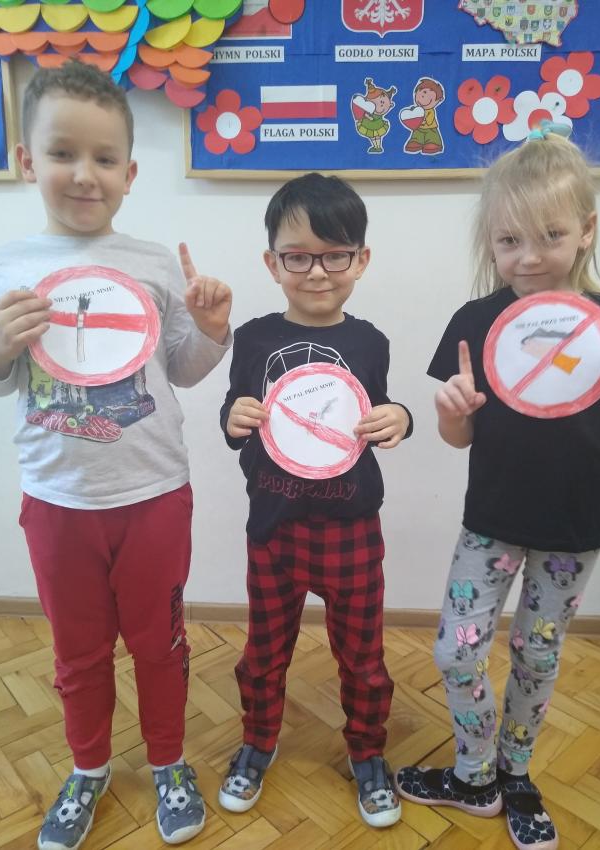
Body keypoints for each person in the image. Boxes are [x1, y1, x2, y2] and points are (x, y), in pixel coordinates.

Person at [0, 61, 232, 849]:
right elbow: (1, 380)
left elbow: (183, 371)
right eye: (62, 153)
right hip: (57, 499)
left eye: (103, 158)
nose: (83, 174)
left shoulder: (155, 262)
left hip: (154, 492)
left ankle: (168, 761)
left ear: (130, 174)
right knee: (77, 652)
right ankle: (88, 767)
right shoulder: (7, 265)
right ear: (27, 160)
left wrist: (212, 331)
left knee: (160, 644)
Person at [395, 125, 600, 850]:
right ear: (490, 243)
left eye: (550, 235)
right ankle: (475, 774)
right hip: (491, 522)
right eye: (508, 240)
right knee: (455, 652)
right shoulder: (476, 321)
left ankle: (516, 772)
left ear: (586, 230)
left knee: (538, 655)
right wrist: (451, 411)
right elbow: (458, 437)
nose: (529, 256)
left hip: (573, 529)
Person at [219, 172, 412, 829]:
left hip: (351, 526)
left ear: (361, 259)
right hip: (273, 526)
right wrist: (233, 418)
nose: (318, 272)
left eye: (335, 255)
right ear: (272, 262)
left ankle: (368, 752)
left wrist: (402, 418)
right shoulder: (251, 338)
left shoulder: (371, 342)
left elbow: (376, 413)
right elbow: (235, 415)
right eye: (298, 257)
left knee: (362, 657)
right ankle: (258, 741)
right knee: (263, 651)